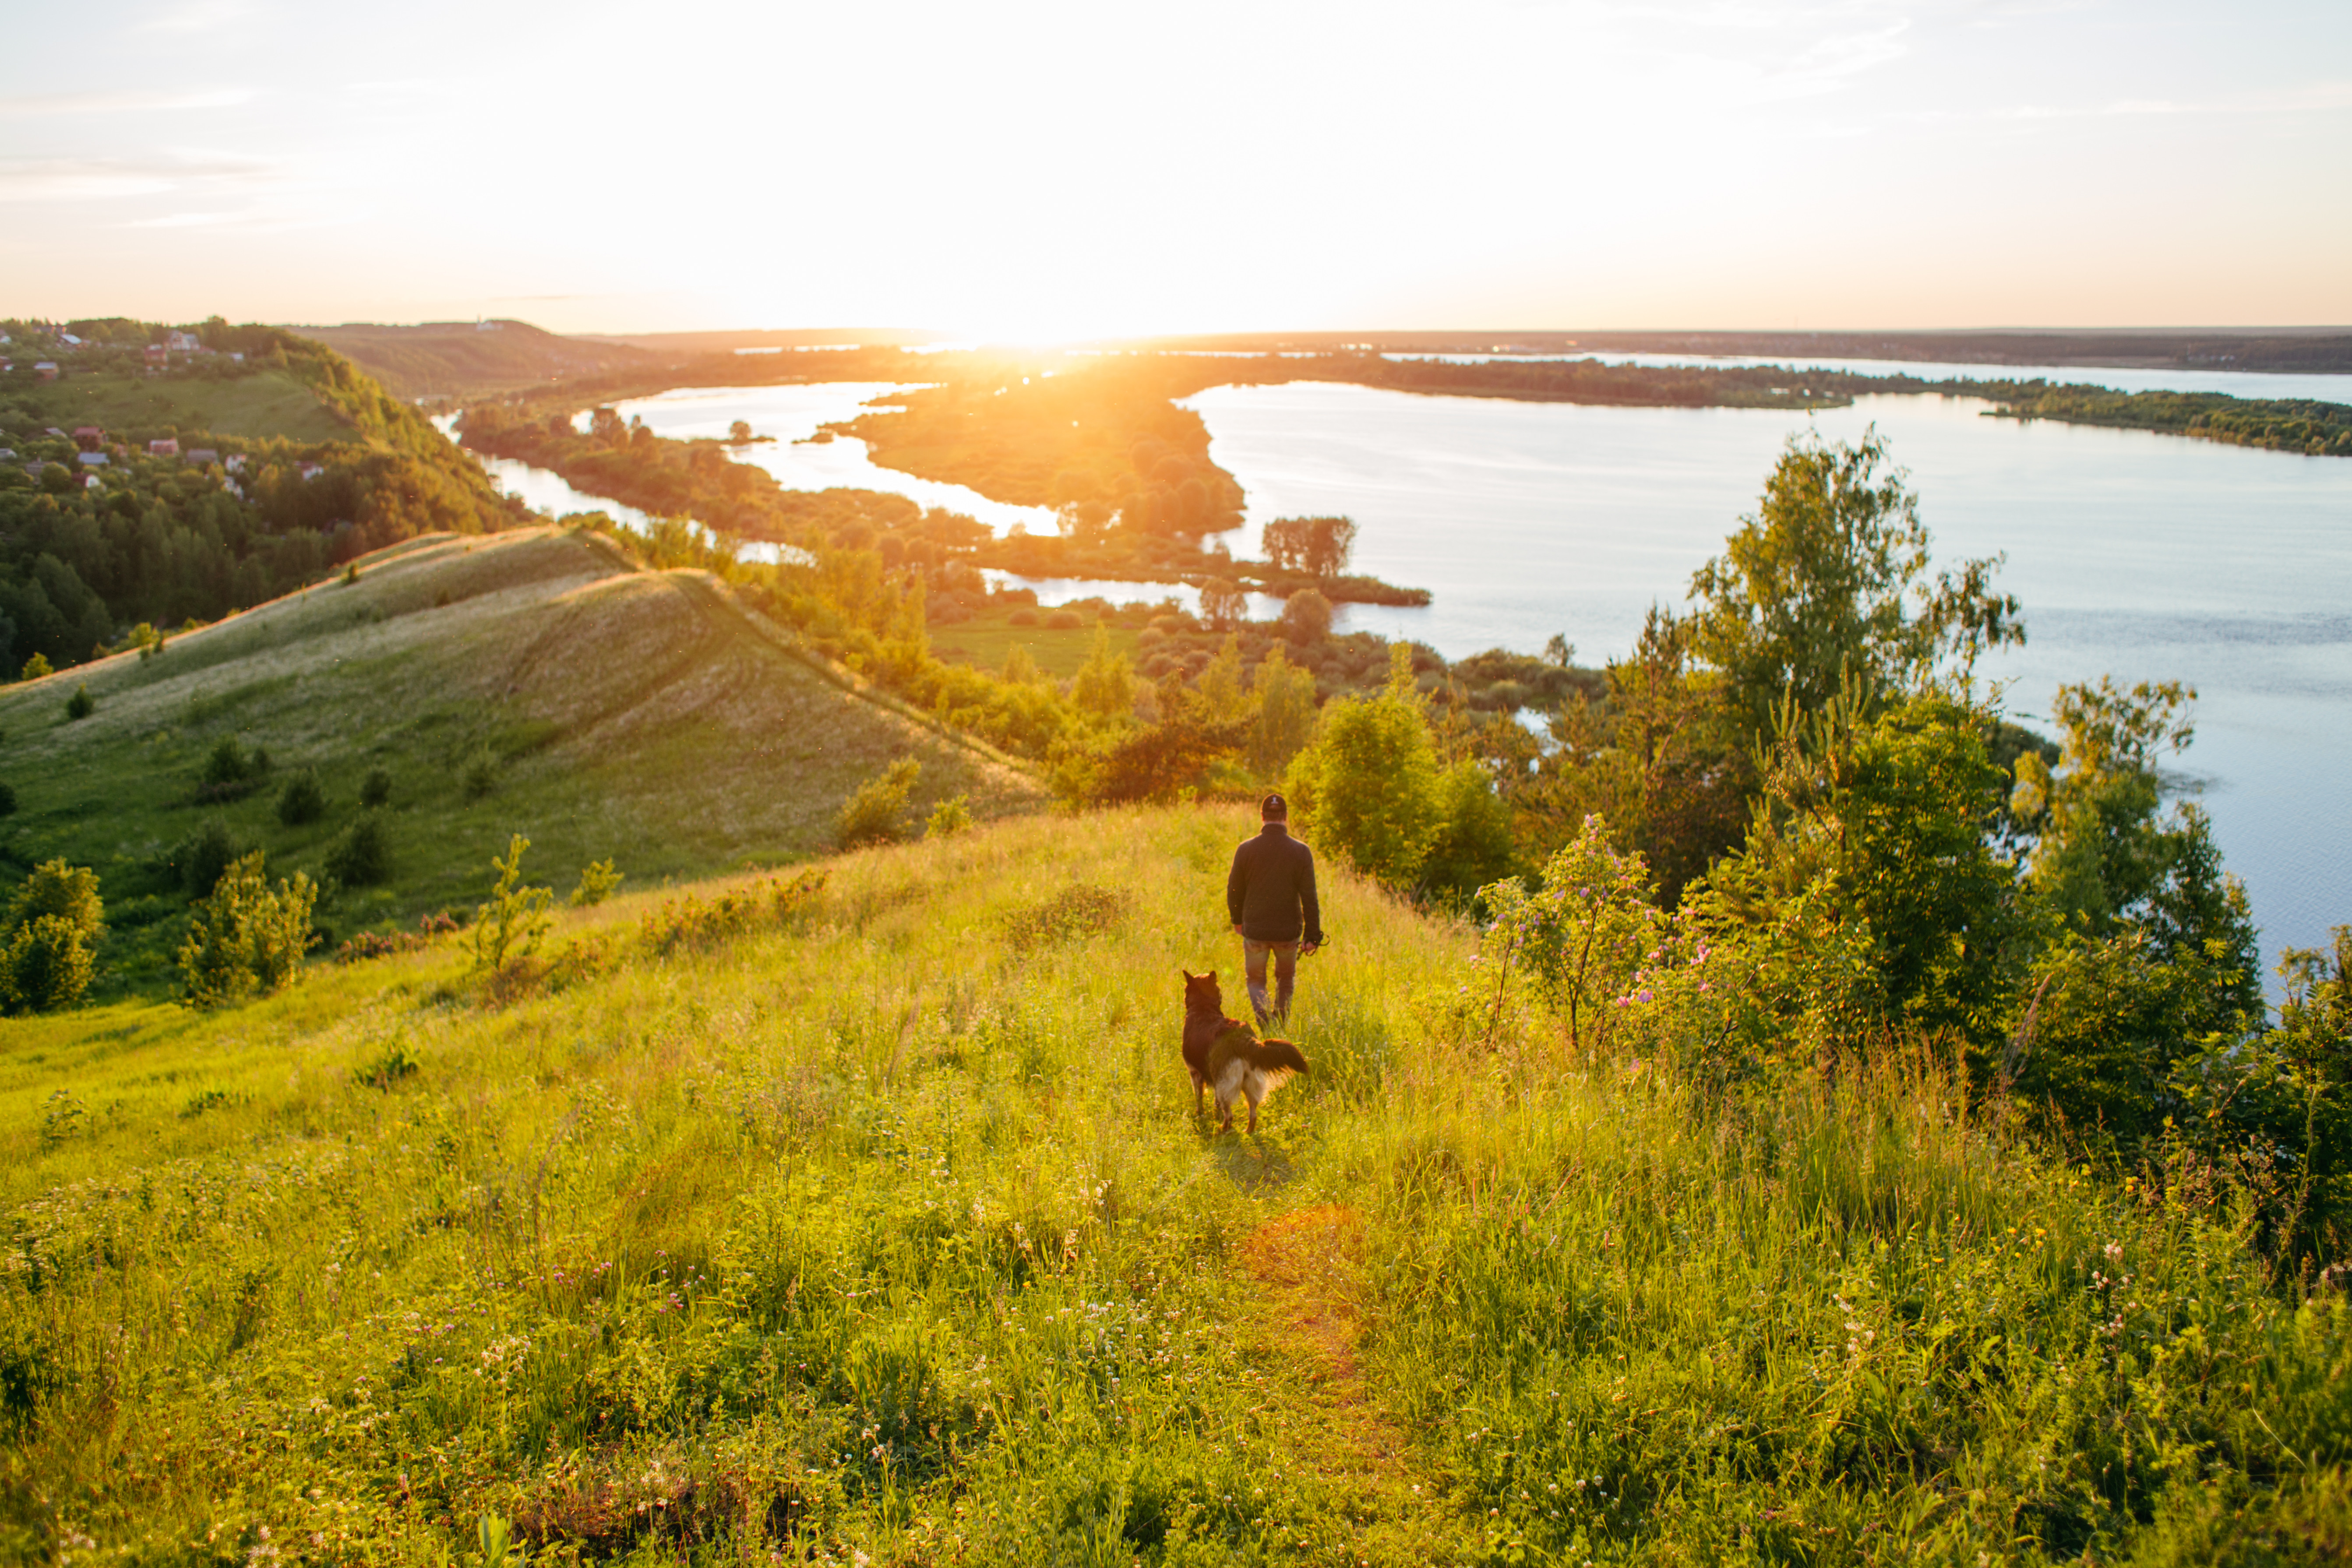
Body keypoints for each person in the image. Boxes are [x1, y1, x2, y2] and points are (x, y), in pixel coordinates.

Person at [1226, 792, 1324, 1027]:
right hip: (1288, 933)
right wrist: (1312, 936)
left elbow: (1234, 890)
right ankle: (1279, 1025)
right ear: (1286, 817)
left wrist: (1237, 921)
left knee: (1256, 980)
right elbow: (1310, 897)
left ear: (1262, 817)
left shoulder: (1245, 849)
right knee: (1286, 980)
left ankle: (1264, 1024)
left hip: (1255, 931)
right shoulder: (1301, 852)